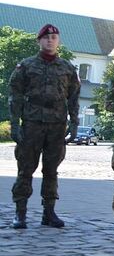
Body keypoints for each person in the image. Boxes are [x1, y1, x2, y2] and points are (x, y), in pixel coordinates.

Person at [9, 23, 80, 229]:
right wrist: (15, 124)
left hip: (57, 125)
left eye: (54, 37)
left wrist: (74, 124)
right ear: (39, 41)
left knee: (51, 170)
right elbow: (15, 96)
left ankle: (49, 213)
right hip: (32, 123)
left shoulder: (67, 68)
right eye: (46, 37)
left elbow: (74, 98)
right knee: (25, 169)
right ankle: (20, 213)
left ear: (58, 41)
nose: (50, 40)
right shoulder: (26, 66)